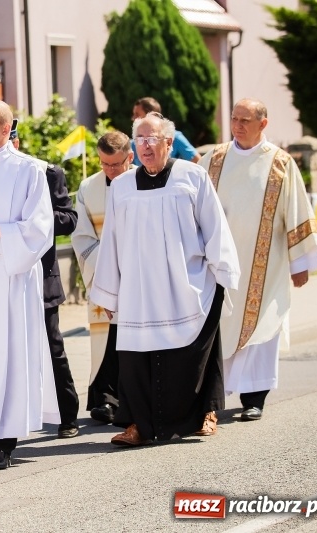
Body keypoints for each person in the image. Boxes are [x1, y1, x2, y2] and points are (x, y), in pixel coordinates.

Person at [89, 112, 240, 446]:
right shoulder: (122, 186)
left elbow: (214, 226)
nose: (145, 146)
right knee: (134, 357)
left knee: (194, 353)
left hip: (186, 282)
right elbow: (111, 239)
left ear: (169, 142)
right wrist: (109, 292)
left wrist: (222, 271)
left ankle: (204, 414)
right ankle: (138, 425)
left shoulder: (192, 176)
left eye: (152, 139)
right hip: (139, 288)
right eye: (139, 140)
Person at [199, 99, 317, 422]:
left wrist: (300, 264)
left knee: (262, 329)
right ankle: (215, 396)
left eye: (245, 120)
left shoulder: (280, 164)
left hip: (264, 270)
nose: (237, 126)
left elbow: (296, 212)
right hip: (221, 265)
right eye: (234, 119)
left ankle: (255, 397)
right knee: (221, 327)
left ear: (263, 124)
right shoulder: (214, 159)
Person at [0, 100, 57, 470]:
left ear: (6, 128)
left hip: (10, 274)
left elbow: (40, 228)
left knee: (8, 355)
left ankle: (5, 440)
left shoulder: (28, 169)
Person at [71, 131, 133, 424]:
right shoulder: (89, 187)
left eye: (116, 164)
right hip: (104, 276)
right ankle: (107, 400)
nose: (109, 170)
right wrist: (108, 269)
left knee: (133, 339)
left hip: (138, 275)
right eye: (104, 163)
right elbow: (82, 237)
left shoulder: (144, 183)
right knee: (106, 341)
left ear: (129, 157)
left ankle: (133, 400)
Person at [130, 97, 200, 165]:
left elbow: (198, 162)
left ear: (152, 115)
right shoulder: (134, 143)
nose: (133, 118)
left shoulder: (175, 138)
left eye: (137, 114)